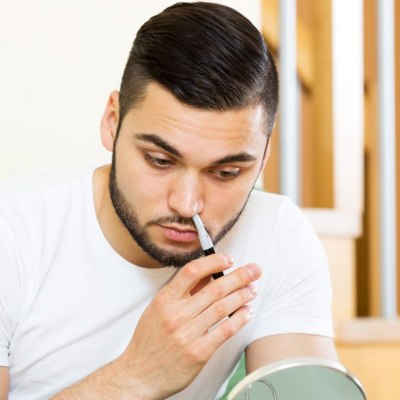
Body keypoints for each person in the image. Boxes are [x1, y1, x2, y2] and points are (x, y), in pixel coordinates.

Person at [0, 2, 338, 399]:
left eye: (226, 173)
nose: (187, 204)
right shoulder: (14, 231)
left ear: (263, 155)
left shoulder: (276, 234)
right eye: (160, 161)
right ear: (113, 122)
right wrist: (136, 376)